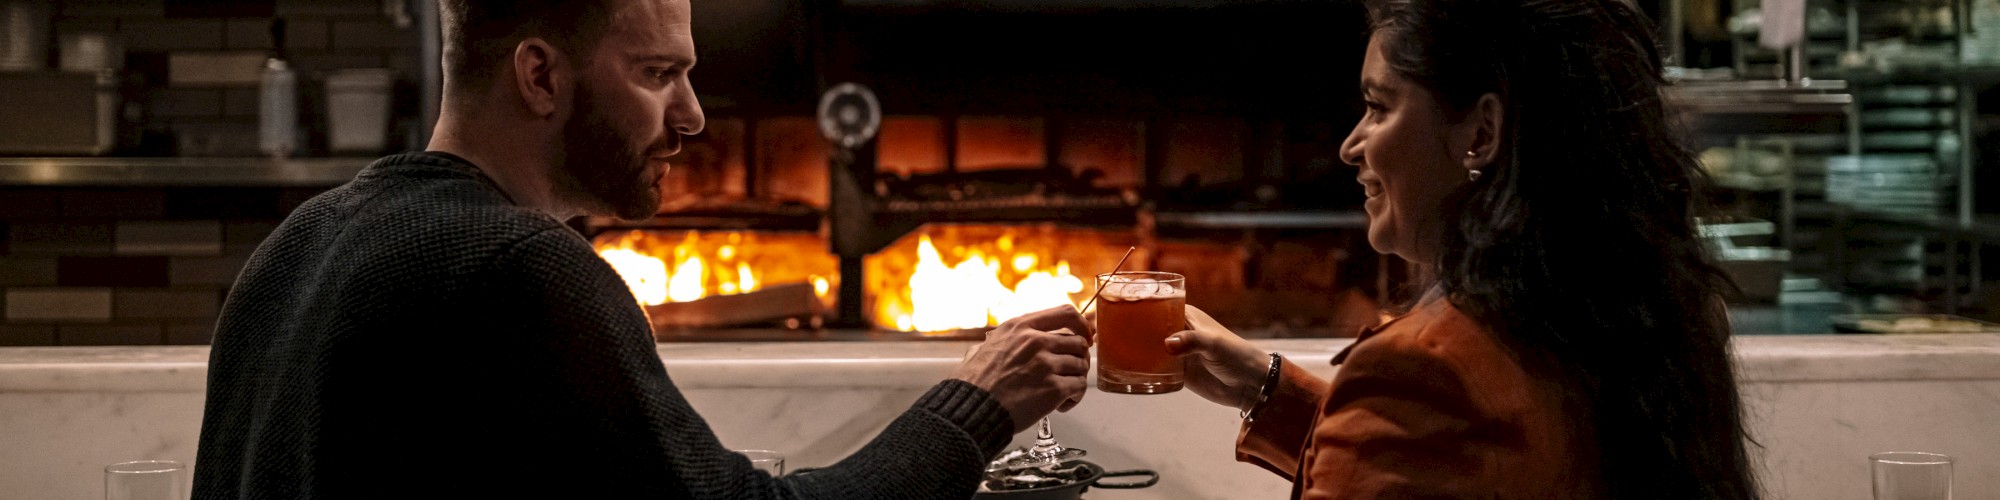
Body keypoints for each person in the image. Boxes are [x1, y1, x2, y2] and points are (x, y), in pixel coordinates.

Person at [192, 0, 1092, 498]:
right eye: (658, 74)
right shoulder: (519, 267)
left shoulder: (297, 246)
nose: (694, 117)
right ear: (540, 75)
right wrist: (977, 403)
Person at [1166, 0, 1763, 498]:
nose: (1352, 146)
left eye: (1378, 106)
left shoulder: (1422, 370)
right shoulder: (1647, 317)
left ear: (1480, 133)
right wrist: (1265, 388)